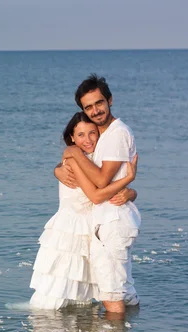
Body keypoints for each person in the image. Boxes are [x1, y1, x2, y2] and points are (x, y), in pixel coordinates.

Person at [29, 112, 137, 310]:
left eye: (92, 133)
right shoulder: (73, 160)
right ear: (71, 137)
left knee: (96, 290)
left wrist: (131, 193)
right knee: (60, 290)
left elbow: (106, 187)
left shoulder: (95, 159)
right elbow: (96, 195)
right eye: (80, 135)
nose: (87, 140)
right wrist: (128, 179)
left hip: (92, 228)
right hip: (72, 230)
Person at [57, 74, 141, 315]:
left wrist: (73, 152)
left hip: (112, 224)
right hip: (110, 221)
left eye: (99, 103)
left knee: (112, 296)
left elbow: (102, 182)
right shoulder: (104, 136)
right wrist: (61, 166)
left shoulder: (115, 134)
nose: (95, 110)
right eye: (88, 107)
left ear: (110, 100)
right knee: (124, 293)